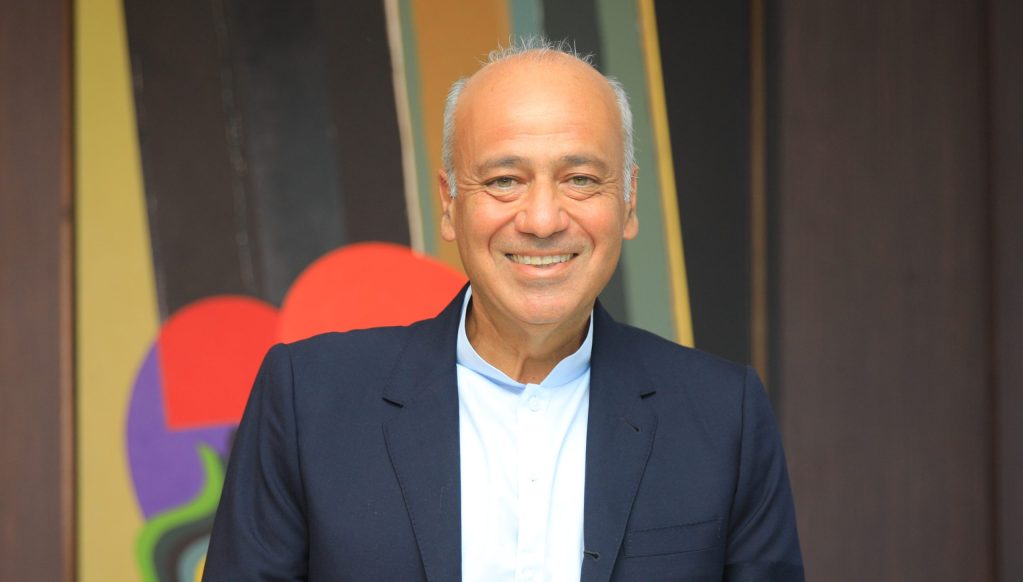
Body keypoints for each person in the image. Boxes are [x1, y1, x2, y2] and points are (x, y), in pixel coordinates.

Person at [204, 39, 803, 581]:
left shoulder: (724, 417)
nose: (542, 220)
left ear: (628, 201)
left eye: (580, 179)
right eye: (504, 180)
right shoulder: (308, 401)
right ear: (449, 203)